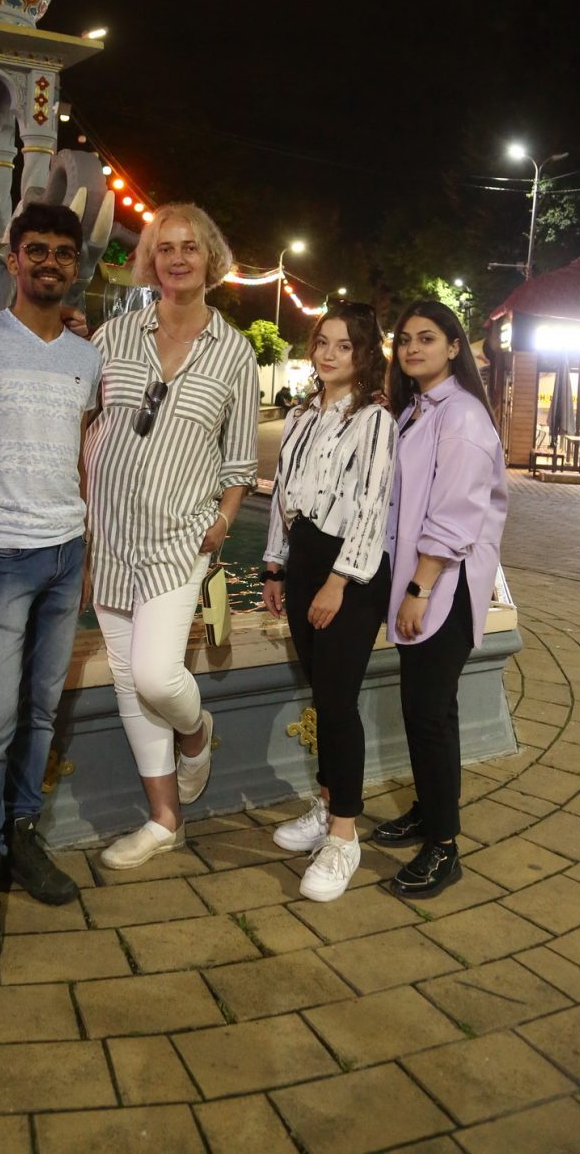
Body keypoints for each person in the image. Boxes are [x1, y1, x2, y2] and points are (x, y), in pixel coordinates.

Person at [0, 203, 102, 962]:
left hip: (65, 551)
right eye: (38, 250)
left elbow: (82, 453)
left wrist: (88, 549)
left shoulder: (85, 357)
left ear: (75, 265)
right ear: (13, 258)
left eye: (64, 253)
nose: (51, 263)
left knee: (39, 711)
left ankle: (21, 835)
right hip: (0, 554)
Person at [84, 203, 258, 869]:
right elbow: (84, 418)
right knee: (129, 681)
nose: (177, 258)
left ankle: (196, 729)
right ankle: (164, 820)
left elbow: (239, 458)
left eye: (189, 247)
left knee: (157, 677)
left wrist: (223, 521)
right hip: (109, 534)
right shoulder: (114, 335)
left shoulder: (234, 351)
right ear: (150, 260)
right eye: (164, 248)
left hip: (180, 536)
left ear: (211, 259)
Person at [371, 299, 507, 896]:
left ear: (454, 347)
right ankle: (431, 811)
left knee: (428, 715)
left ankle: (444, 848)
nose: (412, 348)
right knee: (428, 711)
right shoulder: (418, 410)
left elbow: (454, 516)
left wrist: (419, 589)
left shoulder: (463, 417)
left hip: (442, 587)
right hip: (423, 584)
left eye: (426, 338)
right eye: (404, 339)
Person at [260, 303, 397, 900]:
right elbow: (281, 496)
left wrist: (338, 582)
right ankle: (326, 804)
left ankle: (344, 834)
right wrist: (274, 566)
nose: (330, 354)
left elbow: (372, 506)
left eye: (345, 345)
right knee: (323, 694)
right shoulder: (299, 416)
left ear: (364, 355)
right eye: (323, 343)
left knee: (338, 702)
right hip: (305, 561)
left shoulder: (375, 420)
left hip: (352, 572)